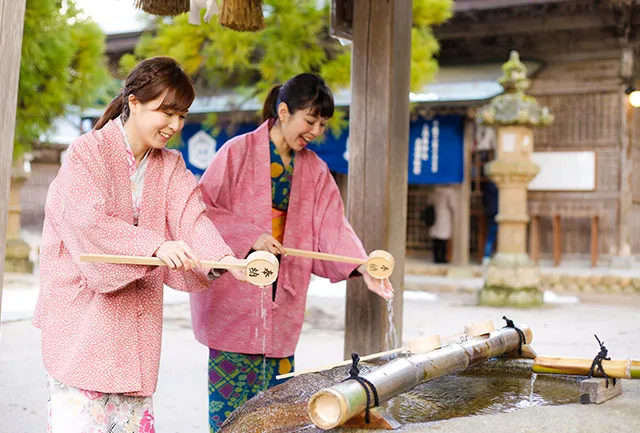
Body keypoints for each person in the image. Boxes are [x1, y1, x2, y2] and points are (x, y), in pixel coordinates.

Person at [33, 57, 246, 433]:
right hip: (83, 319)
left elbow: (191, 217)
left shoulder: (170, 165)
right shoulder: (86, 152)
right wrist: (153, 247)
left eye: (181, 115)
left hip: (136, 325)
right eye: (166, 112)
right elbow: (86, 222)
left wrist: (224, 259)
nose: (175, 125)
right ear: (133, 102)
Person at [190, 73, 394, 431]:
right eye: (310, 120)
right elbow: (201, 211)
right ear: (283, 111)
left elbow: (332, 227)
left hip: (284, 297)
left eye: (322, 124)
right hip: (237, 295)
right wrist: (251, 236)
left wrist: (362, 266)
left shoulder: (315, 170)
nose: (315, 131)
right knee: (229, 413)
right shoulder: (235, 153)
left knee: (280, 412)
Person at [429, 185, 457, 264]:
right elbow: (453, 205)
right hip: (445, 215)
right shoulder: (450, 191)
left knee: (436, 239)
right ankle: (442, 258)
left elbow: (430, 201)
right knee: (443, 239)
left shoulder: (435, 189)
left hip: (435, 214)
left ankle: (436, 257)